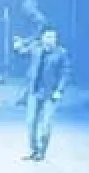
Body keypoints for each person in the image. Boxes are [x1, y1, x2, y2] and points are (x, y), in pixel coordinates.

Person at [20, 28, 71, 162]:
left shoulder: (61, 53)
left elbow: (65, 74)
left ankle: (42, 152)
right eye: (47, 37)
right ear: (42, 38)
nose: (50, 40)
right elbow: (21, 52)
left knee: (46, 123)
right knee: (31, 122)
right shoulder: (36, 48)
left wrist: (59, 90)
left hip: (50, 93)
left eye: (52, 37)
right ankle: (33, 150)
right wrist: (18, 45)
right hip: (34, 91)